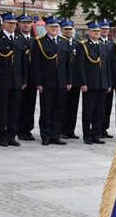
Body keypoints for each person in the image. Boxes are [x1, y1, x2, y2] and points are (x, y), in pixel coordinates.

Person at [0, 12, 28, 147]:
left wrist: (24, 80)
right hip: (2, 80)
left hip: (17, 80)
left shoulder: (19, 38)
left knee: (14, 110)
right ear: (3, 24)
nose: (12, 25)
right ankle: (2, 135)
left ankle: (12, 135)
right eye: (9, 23)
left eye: (13, 23)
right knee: (2, 110)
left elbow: (23, 62)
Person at [32, 16, 72, 145]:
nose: (54, 29)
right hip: (47, 82)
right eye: (52, 26)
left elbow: (68, 64)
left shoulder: (63, 42)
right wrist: (38, 82)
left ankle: (56, 135)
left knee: (59, 110)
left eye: (56, 27)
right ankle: (45, 136)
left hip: (61, 81)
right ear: (46, 28)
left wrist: (69, 80)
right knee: (46, 110)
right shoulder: (39, 42)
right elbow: (35, 65)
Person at [77, 20, 111, 145]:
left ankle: (96, 134)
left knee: (99, 111)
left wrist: (108, 83)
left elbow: (106, 66)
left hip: (102, 83)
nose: (97, 33)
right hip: (90, 83)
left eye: (98, 31)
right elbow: (80, 66)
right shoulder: (83, 45)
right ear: (89, 32)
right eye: (94, 31)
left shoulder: (103, 45)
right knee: (88, 110)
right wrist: (83, 83)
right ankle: (87, 135)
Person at [16, 14, 37, 141]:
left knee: (30, 104)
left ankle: (28, 129)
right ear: (19, 24)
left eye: (29, 22)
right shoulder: (17, 39)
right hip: (20, 77)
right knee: (20, 104)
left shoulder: (35, 40)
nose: (26, 25)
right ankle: (20, 129)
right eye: (24, 22)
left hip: (32, 77)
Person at [60, 19, 81, 139]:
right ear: (61, 30)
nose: (68, 31)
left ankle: (71, 130)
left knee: (73, 106)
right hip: (64, 80)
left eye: (70, 29)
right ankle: (62, 129)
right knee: (63, 106)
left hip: (75, 80)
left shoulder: (77, 44)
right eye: (66, 29)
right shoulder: (60, 42)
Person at [98, 20, 116, 139]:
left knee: (107, 106)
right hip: (99, 79)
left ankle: (104, 128)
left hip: (109, 80)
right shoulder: (96, 42)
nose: (105, 30)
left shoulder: (112, 43)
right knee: (99, 106)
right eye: (103, 29)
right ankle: (97, 128)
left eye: (107, 28)